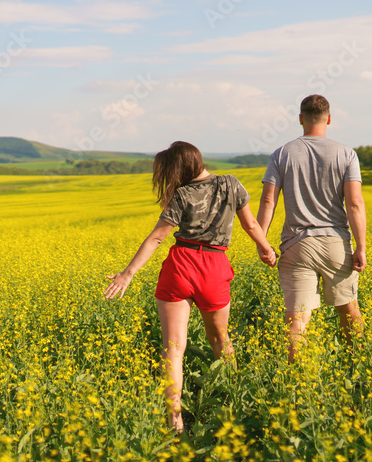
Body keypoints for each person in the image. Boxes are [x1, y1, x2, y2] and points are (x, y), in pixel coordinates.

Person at [103, 141, 277, 432]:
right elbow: (251, 226)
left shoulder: (182, 194)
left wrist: (128, 273)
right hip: (215, 267)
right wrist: (266, 249)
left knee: (173, 348)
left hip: (180, 266)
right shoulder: (231, 184)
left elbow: (157, 238)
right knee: (221, 341)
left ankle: (175, 419)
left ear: (181, 169)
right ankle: (234, 401)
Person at [256, 94, 367, 363]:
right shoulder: (346, 154)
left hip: (297, 245)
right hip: (335, 243)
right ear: (328, 119)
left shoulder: (281, 153)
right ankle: (358, 366)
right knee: (348, 310)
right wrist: (361, 247)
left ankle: (297, 380)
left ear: (300, 119)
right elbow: (354, 203)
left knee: (297, 319)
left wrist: (261, 242)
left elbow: (269, 200)